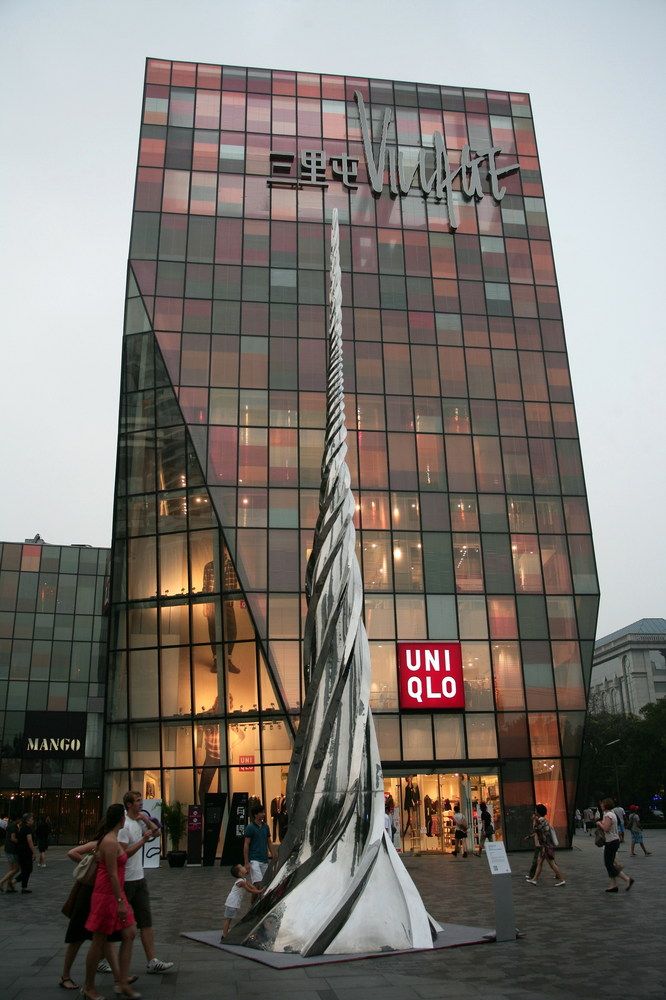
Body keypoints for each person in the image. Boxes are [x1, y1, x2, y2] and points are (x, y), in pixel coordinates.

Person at [59, 827, 151, 992]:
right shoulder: (99, 844)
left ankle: (119, 977)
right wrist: (88, 862)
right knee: (77, 937)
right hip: (88, 893)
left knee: (107, 939)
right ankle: (66, 976)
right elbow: (72, 852)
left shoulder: (113, 844)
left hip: (102, 894)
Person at [103, 790, 174, 977]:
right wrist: (143, 840)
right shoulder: (124, 826)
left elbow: (157, 833)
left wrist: (146, 820)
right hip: (125, 880)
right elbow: (123, 854)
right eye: (137, 800)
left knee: (145, 920)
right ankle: (103, 958)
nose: (141, 803)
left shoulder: (138, 822)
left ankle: (152, 961)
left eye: (141, 799)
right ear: (128, 804)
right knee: (117, 923)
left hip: (139, 878)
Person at [82, 803, 141, 1000]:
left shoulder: (112, 839)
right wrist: (120, 901)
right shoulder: (109, 841)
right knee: (99, 941)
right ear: (121, 819)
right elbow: (112, 874)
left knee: (129, 933)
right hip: (106, 895)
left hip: (115, 893)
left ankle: (122, 982)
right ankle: (89, 987)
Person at [597, 797, 634, 893]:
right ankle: (613, 885)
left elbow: (606, 829)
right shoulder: (611, 814)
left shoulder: (608, 815)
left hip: (611, 841)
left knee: (609, 864)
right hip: (613, 841)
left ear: (606, 805)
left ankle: (627, 879)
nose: (601, 805)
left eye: (602, 804)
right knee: (610, 864)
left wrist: (599, 824)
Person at [526, 804, 566, 886]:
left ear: (538, 811)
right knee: (540, 862)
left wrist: (534, 820)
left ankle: (562, 880)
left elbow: (535, 829)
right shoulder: (543, 820)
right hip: (545, 845)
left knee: (552, 864)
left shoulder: (541, 820)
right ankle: (534, 879)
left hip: (546, 846)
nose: (535, 811)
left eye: (536, 810)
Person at [220, 863, 262, 939]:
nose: (244, 867)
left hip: (234, 903)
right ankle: (224, 935)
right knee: (228, 919)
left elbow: (252, 886)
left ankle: (225, 933)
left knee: (229, 918)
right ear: (240, 873)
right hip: (232, 903)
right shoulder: (241, 882)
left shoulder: (244, 880)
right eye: (242, 867)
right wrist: (260, 891)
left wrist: (258, 890)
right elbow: (249, 890)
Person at [243, 803, 274, 885]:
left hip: (264, 859)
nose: (263, 814)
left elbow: (269, 842)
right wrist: (246, 862)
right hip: (254, 860)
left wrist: (273, 855)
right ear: (255, 815)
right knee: (258, 883)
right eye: (261, 812)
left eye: (263, 812)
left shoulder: (266, 827)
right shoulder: (250, 827)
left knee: (265, 883)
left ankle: (258, 894)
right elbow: (246, 845)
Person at [16, 812, 36, 893]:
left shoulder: (21, 828)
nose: (33, 821)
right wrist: (34, 852)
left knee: (25, 869)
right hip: (26, 852)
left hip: (20, 851)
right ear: (27, 821)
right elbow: (30, 841)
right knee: (28, 869)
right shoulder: (27, 829)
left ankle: (23, 886)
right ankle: (15, 882)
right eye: (32, 819)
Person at [0, 814, 20, 893]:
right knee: (16, 869)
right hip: (11, 849)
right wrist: (20, 841)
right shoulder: (13, 827)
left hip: (9, 849)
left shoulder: (10, 825)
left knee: (12, 869)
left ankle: (9, 886)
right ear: (17, 819)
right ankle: (1, 882)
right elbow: (13, 838)